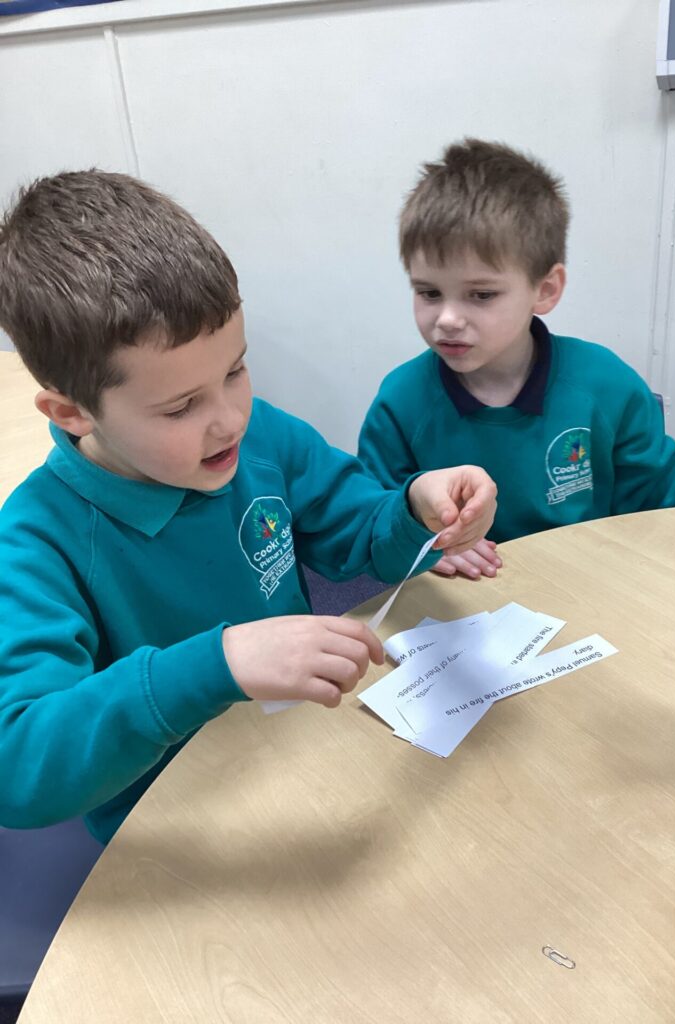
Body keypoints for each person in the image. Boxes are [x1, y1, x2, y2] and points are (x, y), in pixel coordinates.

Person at [0, 170, 497, 844]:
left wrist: (416, 510)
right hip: (178, 829)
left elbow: (360, 533)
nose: (231, 418)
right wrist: (217, 664)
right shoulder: (34, 543)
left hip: (306, 758)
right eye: (181, 406)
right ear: (72, 413)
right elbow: (17, 765)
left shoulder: (257, 437)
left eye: (235, 370)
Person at [358, 138, 675, 580]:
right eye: (429, 292)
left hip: (587, 585)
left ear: (546, 290)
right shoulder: (400, 401)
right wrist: (423, 545)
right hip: (459, 600)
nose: (447, 319)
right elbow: (370, 520)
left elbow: (663, 488)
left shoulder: (606, 384)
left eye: (481, 294)